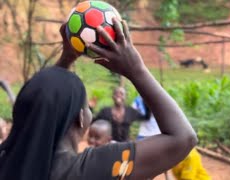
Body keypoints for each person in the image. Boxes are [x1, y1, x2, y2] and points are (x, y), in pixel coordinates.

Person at [0, 18, 197, 180]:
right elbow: (183, 139)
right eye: (87, 107)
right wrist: (136, 70)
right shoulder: (89, 170)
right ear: (81, 118)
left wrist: (66, 59)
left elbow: (42, 98)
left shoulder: (6, 157)